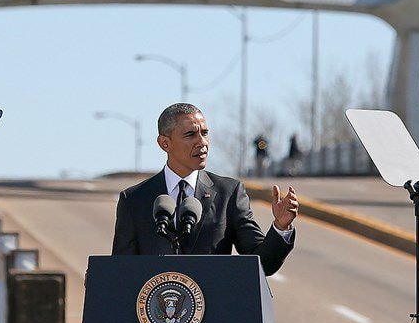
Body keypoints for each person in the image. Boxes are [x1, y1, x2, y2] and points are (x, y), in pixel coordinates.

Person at [112, 103, 298, 276]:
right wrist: (102, 279)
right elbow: (121, 271)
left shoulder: (229, 193)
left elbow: (261, 263)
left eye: (205, 133)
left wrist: (281, 227)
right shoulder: (134, 199)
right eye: (190, 135)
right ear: (165, 143)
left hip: (214, 308)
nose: (202, 142)